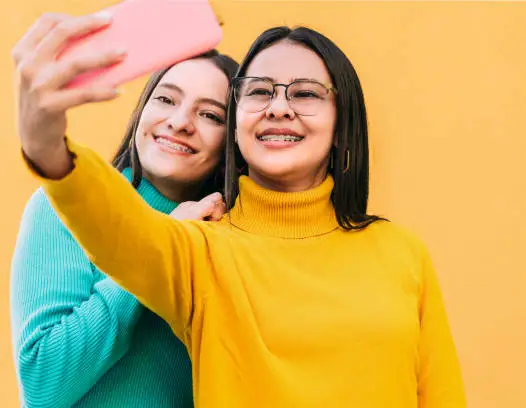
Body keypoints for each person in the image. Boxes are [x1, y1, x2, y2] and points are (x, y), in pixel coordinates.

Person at [13, 11, 466, 408]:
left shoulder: (402, 252)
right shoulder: (197, 248)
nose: (279, 107)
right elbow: (113, 221)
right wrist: (46, 145)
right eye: (260, 92)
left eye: (305, 94)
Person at [10, 12, 238, 407]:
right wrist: (157, 249)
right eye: (166, 98)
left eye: (210, 115)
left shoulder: (228, 235)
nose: (180, 121)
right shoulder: (66, 203)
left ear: (229, 144)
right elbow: (43, 383)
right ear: (142, 110)